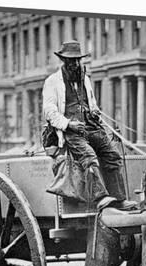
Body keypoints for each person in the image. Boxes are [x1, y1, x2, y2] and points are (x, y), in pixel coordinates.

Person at [42, 41, 138, 211]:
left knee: (112, 155)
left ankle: (119, 199)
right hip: (70, 132)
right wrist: (69, 124)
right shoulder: (53, 81)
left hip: (91, 128)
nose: (75, 64)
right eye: (70, 61)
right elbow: (49, 112)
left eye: (77, 60)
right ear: (64, 61)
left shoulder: (85, 79)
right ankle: (100, 197)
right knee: (89, 156)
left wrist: (94, 113)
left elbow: (92, 104)